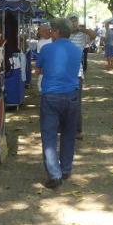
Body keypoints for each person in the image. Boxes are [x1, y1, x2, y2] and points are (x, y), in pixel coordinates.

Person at [36, 18, 82, 189]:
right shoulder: (77, 51)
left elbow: (38, 69)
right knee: (69, 134)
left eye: (52, 31)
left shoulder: (47, 49)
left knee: (49, 136)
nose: (50, 33)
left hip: (51, 96)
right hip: (71, 95)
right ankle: (66, 169)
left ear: (56, 32)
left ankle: (54, 175)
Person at [34, 24, 52, 92]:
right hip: (44, 68)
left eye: (41, 32)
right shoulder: (40, 42)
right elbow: (39, 56)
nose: (40, 34)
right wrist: (38, 67)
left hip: (53, 68)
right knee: (41, 86)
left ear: (47, 31)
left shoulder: (54, 39)